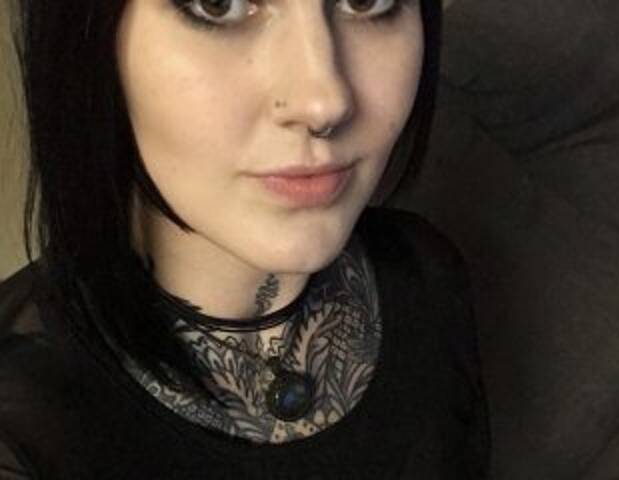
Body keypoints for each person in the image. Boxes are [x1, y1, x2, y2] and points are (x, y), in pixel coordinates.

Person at [0, 0, 489, 478]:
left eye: (365, 2)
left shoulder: (425, 276)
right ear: (85, 38)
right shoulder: (24, 420)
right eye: (219, 6)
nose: (324, 103)